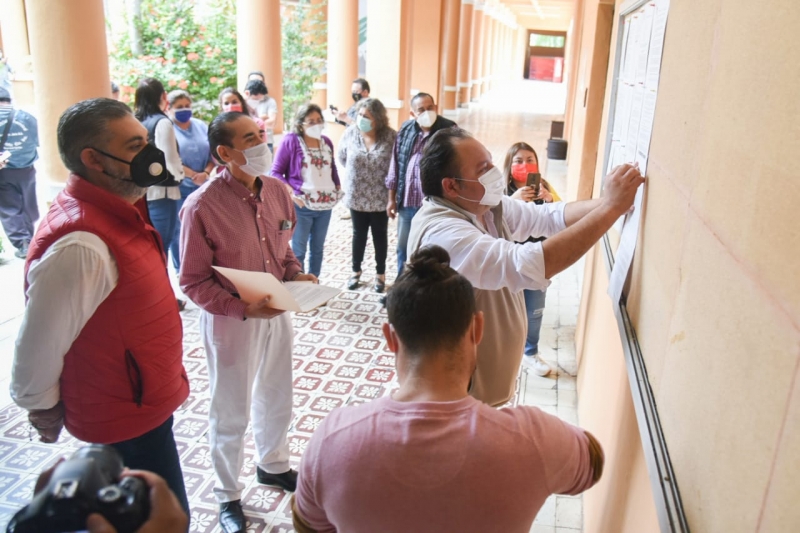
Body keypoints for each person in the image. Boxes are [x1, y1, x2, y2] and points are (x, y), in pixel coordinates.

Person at [292, 246, 605, 533]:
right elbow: (592, 465)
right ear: (477, 329)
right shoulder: (533, 439)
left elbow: (309, 525)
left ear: (390, 337)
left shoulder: (332, 440)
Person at [10, 98, 190, 515]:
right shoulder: (82, 244)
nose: (149, 155)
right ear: (93, 159)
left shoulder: (120, 209)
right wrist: (40, 404)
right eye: (133, 147)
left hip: (143, 400)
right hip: (122, 411)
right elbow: (39, 343)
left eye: (146, 141)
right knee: (160, 517)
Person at [407, 128, 644, 406]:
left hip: (487, 387)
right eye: (483, 169)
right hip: (460, 398)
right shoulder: (443, 234)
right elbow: (527, 264)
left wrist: (608, 202)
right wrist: (611, 210)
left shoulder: (486, 207)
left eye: (492, 163)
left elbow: (547, 217)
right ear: (452, 186)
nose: (495, 172)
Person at [180, 112, 317, 533]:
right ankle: (227, 495)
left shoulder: (277, 191)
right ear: (225, 153)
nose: (261, 144)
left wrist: (296, 275)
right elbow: (192, 281)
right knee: (230, 407)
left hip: (277, 309)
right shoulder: (201, 206)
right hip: (232, 320)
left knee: (277, 392)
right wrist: (241, 308)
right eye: (249, 139)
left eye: (260, 135)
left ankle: (272, 464)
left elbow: (284, 248)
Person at [503, 142, 561, 377]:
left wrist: (548, 201)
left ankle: (530, 353)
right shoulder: (500, 191)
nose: (524, 165)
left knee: (534, 310)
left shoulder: (545, 187)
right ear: (509, 165)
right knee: (504, 310)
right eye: (518, 161)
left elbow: (562, 218)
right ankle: (504, 351)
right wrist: (513, 200)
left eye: (529, 160)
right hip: (507, 260)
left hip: (538, 261)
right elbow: (492, 224)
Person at [386, 92, 456, 277]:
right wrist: (391, 199)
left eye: (430, 107)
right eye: (421, 110)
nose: (427, 112)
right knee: (404, 248)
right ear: (412, 114)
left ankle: (429, 290)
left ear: (436, 107)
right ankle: (402, 287)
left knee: (433, 250)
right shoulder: (406, 130)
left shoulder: (448, 130)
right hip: (408, 204)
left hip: (435, 204)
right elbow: (395, 164)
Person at [271, 103, 341, 278]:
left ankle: (314, 281)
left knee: (318, 249)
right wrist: (292, 194)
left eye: (319, 120)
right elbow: (276, 172)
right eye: (311, 122)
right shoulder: (291, 141)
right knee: (299, 249)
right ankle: (298, 282)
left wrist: (337, 186)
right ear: (300, 124)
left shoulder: (327, 142)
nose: (316, 125)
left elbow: (331, 168)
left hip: (325, 205)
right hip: (301, 207)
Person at [336, 98, 396, 293]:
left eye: (366, 116)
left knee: (380, 235)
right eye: (360, 115)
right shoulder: (351, 133)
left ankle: (380, 274)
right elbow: (342, 157)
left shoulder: (390, 137)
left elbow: (395, 167)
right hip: (357, 194)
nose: (361, 119)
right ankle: (355, 271)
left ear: (377, 119)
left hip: (380, 196)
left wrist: (392, 198)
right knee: (358, 234)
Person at [134, 78, 185, 272]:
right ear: (163, 97)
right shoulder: (162, 123)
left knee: (151, 244)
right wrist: (180, 175)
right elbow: (169, 159)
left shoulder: (136, 121)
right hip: (163, 192)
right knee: (161, 245)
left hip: (142, 192)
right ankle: (163, 295)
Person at [167, 89, 213, 273]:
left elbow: (213, 152)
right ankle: (183, 270)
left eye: (187, 106)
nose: (184, 110)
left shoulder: (200, 125)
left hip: (203, 186)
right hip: (180, 187)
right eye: (179, 107)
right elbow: (170, 158)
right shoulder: (167, 129)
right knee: (180, 230)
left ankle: (203, 268)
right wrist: (194, 175)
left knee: (203, 229)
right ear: (169, 108)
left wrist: (206, 173)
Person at [0, 87, 39, 259]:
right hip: (27, 169)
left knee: (9, 207)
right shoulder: (27, 117)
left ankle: (22, 242)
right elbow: (37, 141)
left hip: (4, 170)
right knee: (28, 203)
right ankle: (30, 239)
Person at [243, 78, 278, 152]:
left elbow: (271, 123)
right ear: (247, 93)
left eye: (260, 100)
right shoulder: (240, 107)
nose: (257, 102)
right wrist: (261, 119)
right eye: (256, 99)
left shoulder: (254, 109)